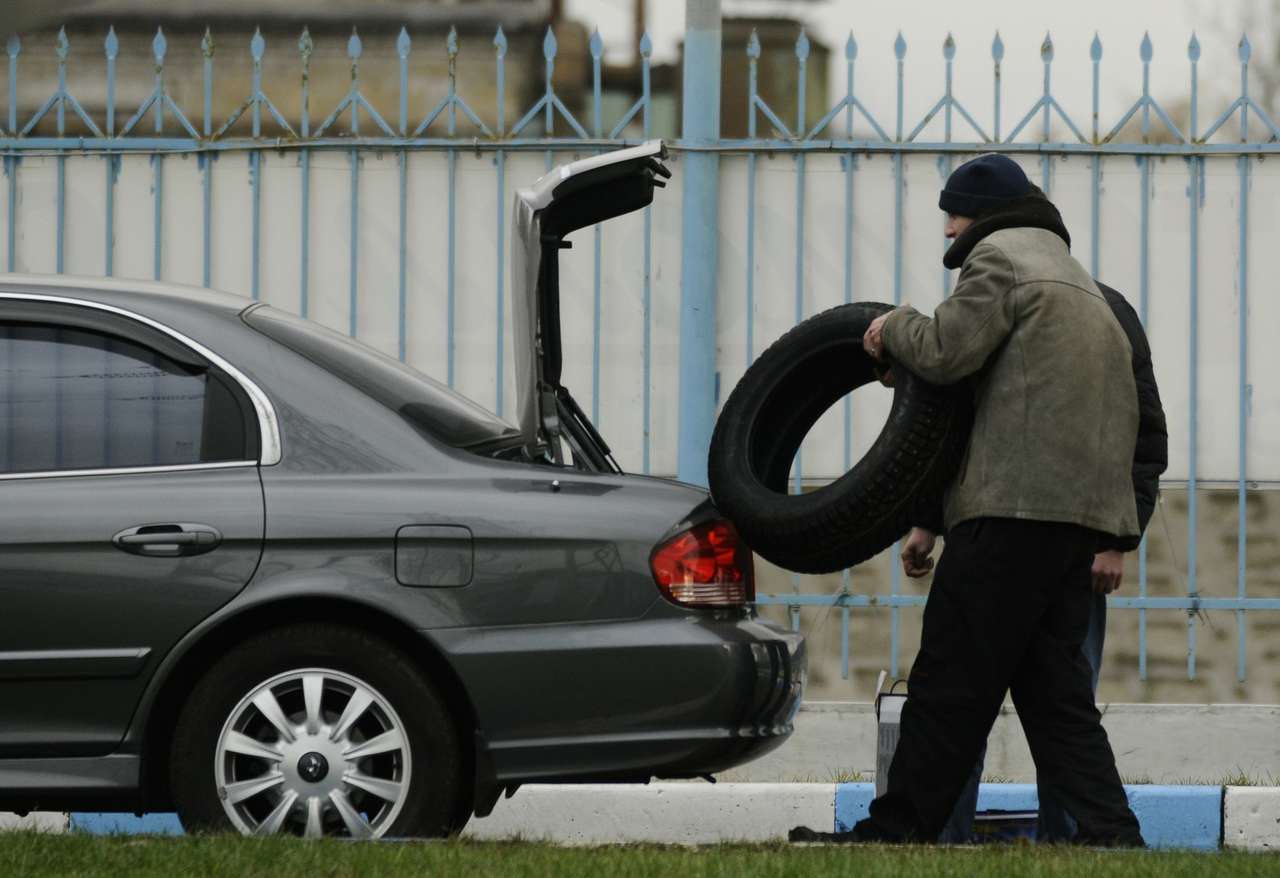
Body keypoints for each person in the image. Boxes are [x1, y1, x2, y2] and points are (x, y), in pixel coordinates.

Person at [789, 153, 1146, 846]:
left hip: (1011, 512)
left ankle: (895, 831)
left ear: (971, 215)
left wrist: (892, 328)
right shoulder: (1077, 281)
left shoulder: (1000, 261)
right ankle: (1112, 832)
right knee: (1055, 696)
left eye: (949, 215)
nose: (946, 230)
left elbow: (950, 350)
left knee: (949, 679)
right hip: (1076, 521)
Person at [938, 273, 1169, 845]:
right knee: (964, 696)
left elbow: (1143, 436)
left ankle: (1069, 837)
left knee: (1065, 704)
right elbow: (955, 422)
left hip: (1072, 547)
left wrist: (1117, 539)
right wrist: (924, 518)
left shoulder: (1106, 311)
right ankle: (942, 836)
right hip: (994, 540)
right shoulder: (993, 301)